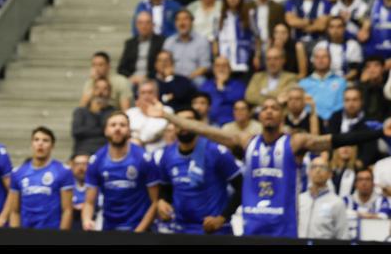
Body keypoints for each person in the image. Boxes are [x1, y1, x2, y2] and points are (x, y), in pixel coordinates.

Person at [142, 96, 391, 238]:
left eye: (275, 108)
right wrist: (168, 116)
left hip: (284, 227)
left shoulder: (295, 142)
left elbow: (335, 141)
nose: (270, 112)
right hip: (253, 225)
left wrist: (379, 131)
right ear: (260, 117)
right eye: (266, 109)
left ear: (281, 116)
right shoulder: (245, 142)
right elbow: (205, 130)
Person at [155, 108, 242, 235]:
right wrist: (162, 201)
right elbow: (166, 188)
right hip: (180, 229)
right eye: (179, 121)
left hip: (213, 230)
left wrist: (222, 218)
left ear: (198, 125)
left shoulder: (216, 152)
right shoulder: (167, 154)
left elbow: (242, 187)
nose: (184, 125)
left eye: (189, 121)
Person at [82, 112, 159, 232]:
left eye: (122, 125)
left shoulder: (144, 158)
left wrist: (138, 233)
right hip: (109, 228)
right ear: (106, 130)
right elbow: (89, 202)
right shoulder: (96, 160)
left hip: (140, 228)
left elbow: (155, 202)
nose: (117, 128)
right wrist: (87, 220)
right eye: (113, 125)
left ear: (129, 131)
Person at [6, 127, 74, 230]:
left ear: (52, 146)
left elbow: (67, 210)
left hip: (51, 234)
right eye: (36, 140)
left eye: (45, 140)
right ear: (31, 144)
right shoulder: (18, 173)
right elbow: (14, 211)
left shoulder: (63, 171)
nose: (40, 143)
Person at [299, 157, 349, 239]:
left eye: (322, 167)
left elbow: (343, 235)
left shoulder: (337, 202)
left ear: (330, 174)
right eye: (314, 167)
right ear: (309, 172)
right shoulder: (300, 199)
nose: (318, 170)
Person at [163, 9, 212, 85]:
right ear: (175, 24)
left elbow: (205, 66)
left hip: (194, 78)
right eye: (178, 20)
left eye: (185, 19)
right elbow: (164, 64)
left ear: (192, 22)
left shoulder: (202, 41)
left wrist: (187, 79)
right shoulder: (169, 42)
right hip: (174, 78)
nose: (182, 23)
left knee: (202, 82)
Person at [117, 11, 165, 85]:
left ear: (153, 25)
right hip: (132, 80)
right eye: (141, 23)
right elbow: (121, 68)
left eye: (147, 23)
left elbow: (161, 65)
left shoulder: (161, 42)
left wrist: (147, 77)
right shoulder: (130, 43)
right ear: (136, 25)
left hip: (152, 79)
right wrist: (131, 77)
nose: (144, 26)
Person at [72, 78, 115, 157]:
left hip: (106, 152)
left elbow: (111, 133)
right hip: (83, 152)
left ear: (110, 92)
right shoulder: (80, 111)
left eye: (105, 89)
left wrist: (98, 112)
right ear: (92, 91)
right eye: (97, 88)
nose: (100, 92)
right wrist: (101, 130)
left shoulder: (113, 112)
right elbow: (76, 132)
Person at [344, 168, 391, 241]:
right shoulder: (347, 200)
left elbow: (384, 216)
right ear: (355, 184)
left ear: (373, 183)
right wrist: (372, 215)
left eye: (367, 179)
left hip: (376, 239)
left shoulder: (383, 200)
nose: (364, 183)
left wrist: (356, 214)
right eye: (360, 179)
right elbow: (342, 214)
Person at [199, 56, 246, 126]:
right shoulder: (205, 86)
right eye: (218, 66)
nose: (221, 69)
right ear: (213, 69)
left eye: (224, 66)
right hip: (210, 124)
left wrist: (221, 87)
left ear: (230, 69)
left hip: (232, 124)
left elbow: (237, 101)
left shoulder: (238, 85)